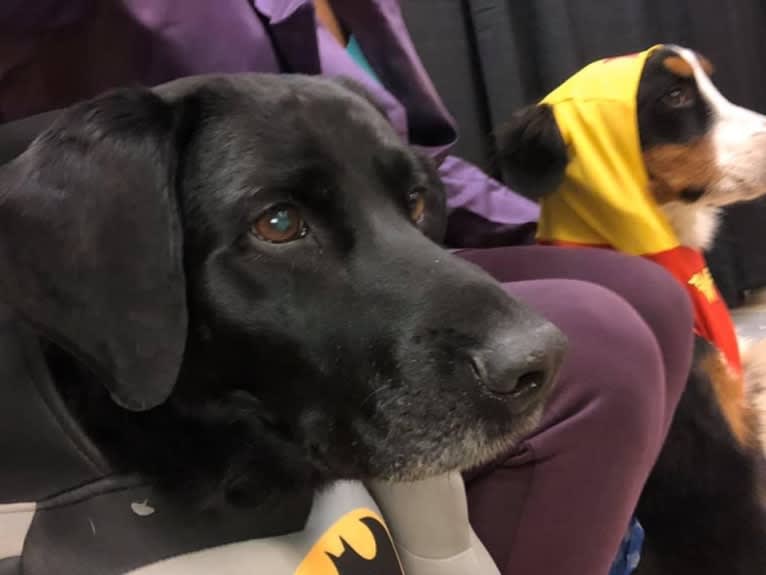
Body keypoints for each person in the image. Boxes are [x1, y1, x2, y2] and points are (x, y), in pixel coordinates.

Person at [0, 1, 694, 573]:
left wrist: (526, 227)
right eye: (280, 223)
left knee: (655, 296)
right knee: (610, 348)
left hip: (321, 192)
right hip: (111, 190)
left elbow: (403, 163)